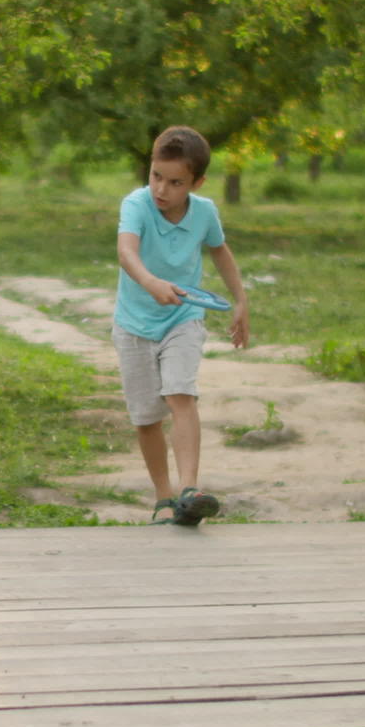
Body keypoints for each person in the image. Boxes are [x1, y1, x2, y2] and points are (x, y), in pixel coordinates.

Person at [113, 126, 249, 526]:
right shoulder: (136, 204)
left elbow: (220, 250)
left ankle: (190, 491)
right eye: (157, 176)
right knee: (146, 417)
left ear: (196, 183)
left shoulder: (204, 211)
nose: (162, 189)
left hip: (183, 316)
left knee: (180, 394)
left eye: (175, 182)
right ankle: (163, 498)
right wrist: (151, 282)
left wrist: (241, 300)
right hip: (134, 323)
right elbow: (126, 251)